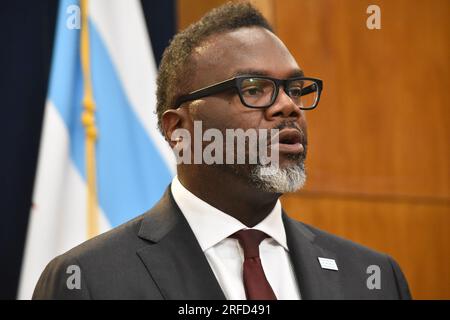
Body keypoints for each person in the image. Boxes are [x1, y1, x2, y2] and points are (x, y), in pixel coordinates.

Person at [33, 2, 411, 300]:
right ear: (179, 129)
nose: (289, 107)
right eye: (254, 89)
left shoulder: (372, 278)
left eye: (295, 89)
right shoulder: (90, 281)